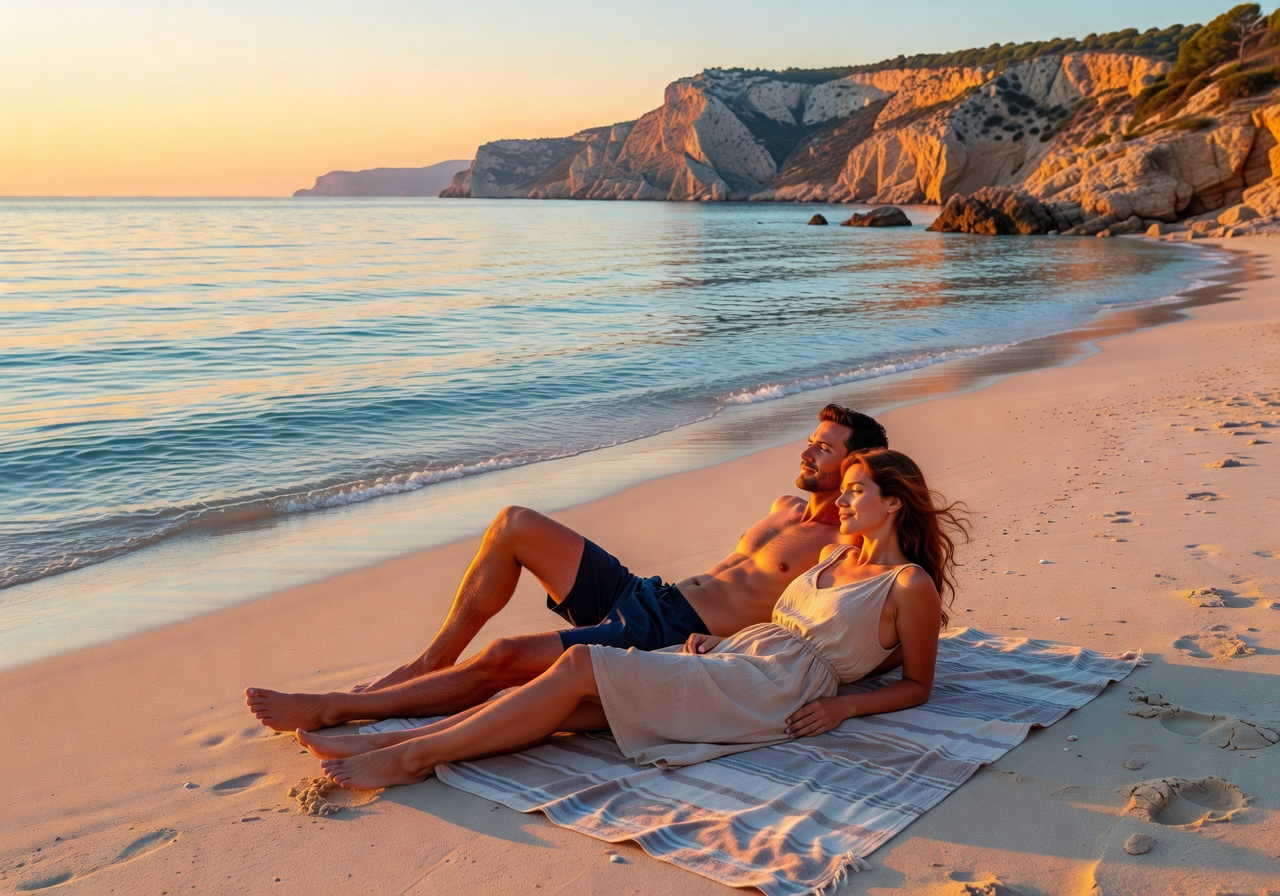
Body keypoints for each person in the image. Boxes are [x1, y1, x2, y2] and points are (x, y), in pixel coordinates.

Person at [280, 448, 968, 791]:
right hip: (733, 658)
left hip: (772, 691)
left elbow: (917, 684)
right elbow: (788, 621)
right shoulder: (833, 559)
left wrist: (844, 711)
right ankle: (397, 736)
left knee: (576, 666)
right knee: (571, 703)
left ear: (895, 504)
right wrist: (713, 641)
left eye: (856, 493)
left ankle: (409, 755)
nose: (842, 504)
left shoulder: (906, 584)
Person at [246, 405, 889, 732]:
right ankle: (426, 666)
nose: (808, 451)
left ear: (855, 464)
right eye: (811, 440)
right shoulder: (784, 508)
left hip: (667, 636)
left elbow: (870, 615)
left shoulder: (847, 543)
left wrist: (843, 701)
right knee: (515, 522)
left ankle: (338, 708)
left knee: (504, 657)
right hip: (647, 594)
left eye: (825, 448)